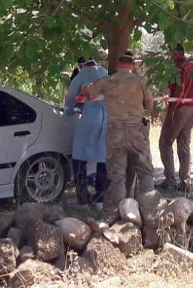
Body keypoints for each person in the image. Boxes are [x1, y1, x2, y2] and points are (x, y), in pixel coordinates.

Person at [88, 50, 155, 205]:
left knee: (117, 174)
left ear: (118, 64)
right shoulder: (141, 81)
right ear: (133, 64)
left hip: (115, 132)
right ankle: (150, 207)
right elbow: (150, 105)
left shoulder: (108, 81)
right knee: (145, 172)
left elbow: (88, 91)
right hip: (137, 131)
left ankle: (121, 210)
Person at [63, 58, 109, 206]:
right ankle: (100, 200)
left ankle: (82, 199)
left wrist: (69, 111)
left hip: (89, 117)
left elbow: (71, 98)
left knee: (78, 157)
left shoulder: (81, 76)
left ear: (81, 65)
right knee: (102, 158)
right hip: (106, 118)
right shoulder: (105, 72)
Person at [157, 44, 193, 192]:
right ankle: (185, 181)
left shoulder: (180, 67)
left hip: (180, 108)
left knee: (165, 142)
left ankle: (170, 180)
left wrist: (171, 111)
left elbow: (180, 89)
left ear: (178, 54)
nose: (170, 57)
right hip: (191, 108)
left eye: (172, 54)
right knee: (184, 145)